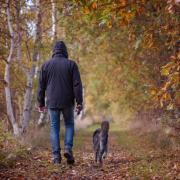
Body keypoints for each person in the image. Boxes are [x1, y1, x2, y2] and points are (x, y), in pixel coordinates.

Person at [37, 41, 83, 164]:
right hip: (68, 101)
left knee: (54, 128)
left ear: (54, 51)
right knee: (69, 124)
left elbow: (41, 86)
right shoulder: (71, 64)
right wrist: (79, 102)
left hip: (52, 101)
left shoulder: (45, 65)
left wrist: (40, 103)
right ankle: (68, 148)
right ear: (65, 51)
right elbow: (77, 85)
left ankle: (56, 157)